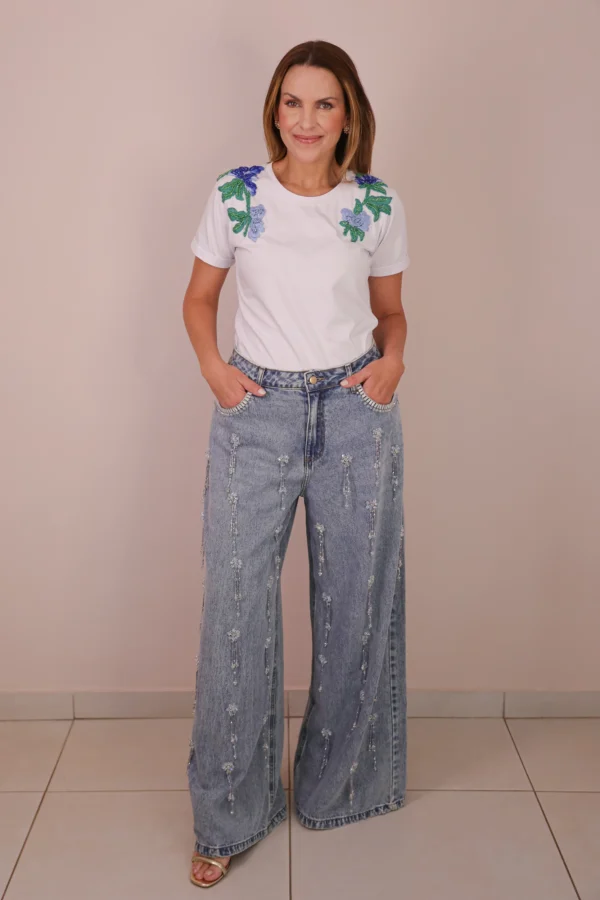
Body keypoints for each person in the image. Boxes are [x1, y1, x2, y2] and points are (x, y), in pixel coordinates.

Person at [182, 39, 410, 888]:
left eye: (324, 103)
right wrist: (217, 372)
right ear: (274, 109)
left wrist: (393, 363)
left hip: (355, 412)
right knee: (235, 611)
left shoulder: (376, 202)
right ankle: (227, 814)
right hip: (258, 413)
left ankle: (340, 789)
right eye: (292, 101)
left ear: (348, 114)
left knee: (356, 602)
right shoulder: (237, 195)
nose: (305, 120)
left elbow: (391, 313)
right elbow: (199, 298)